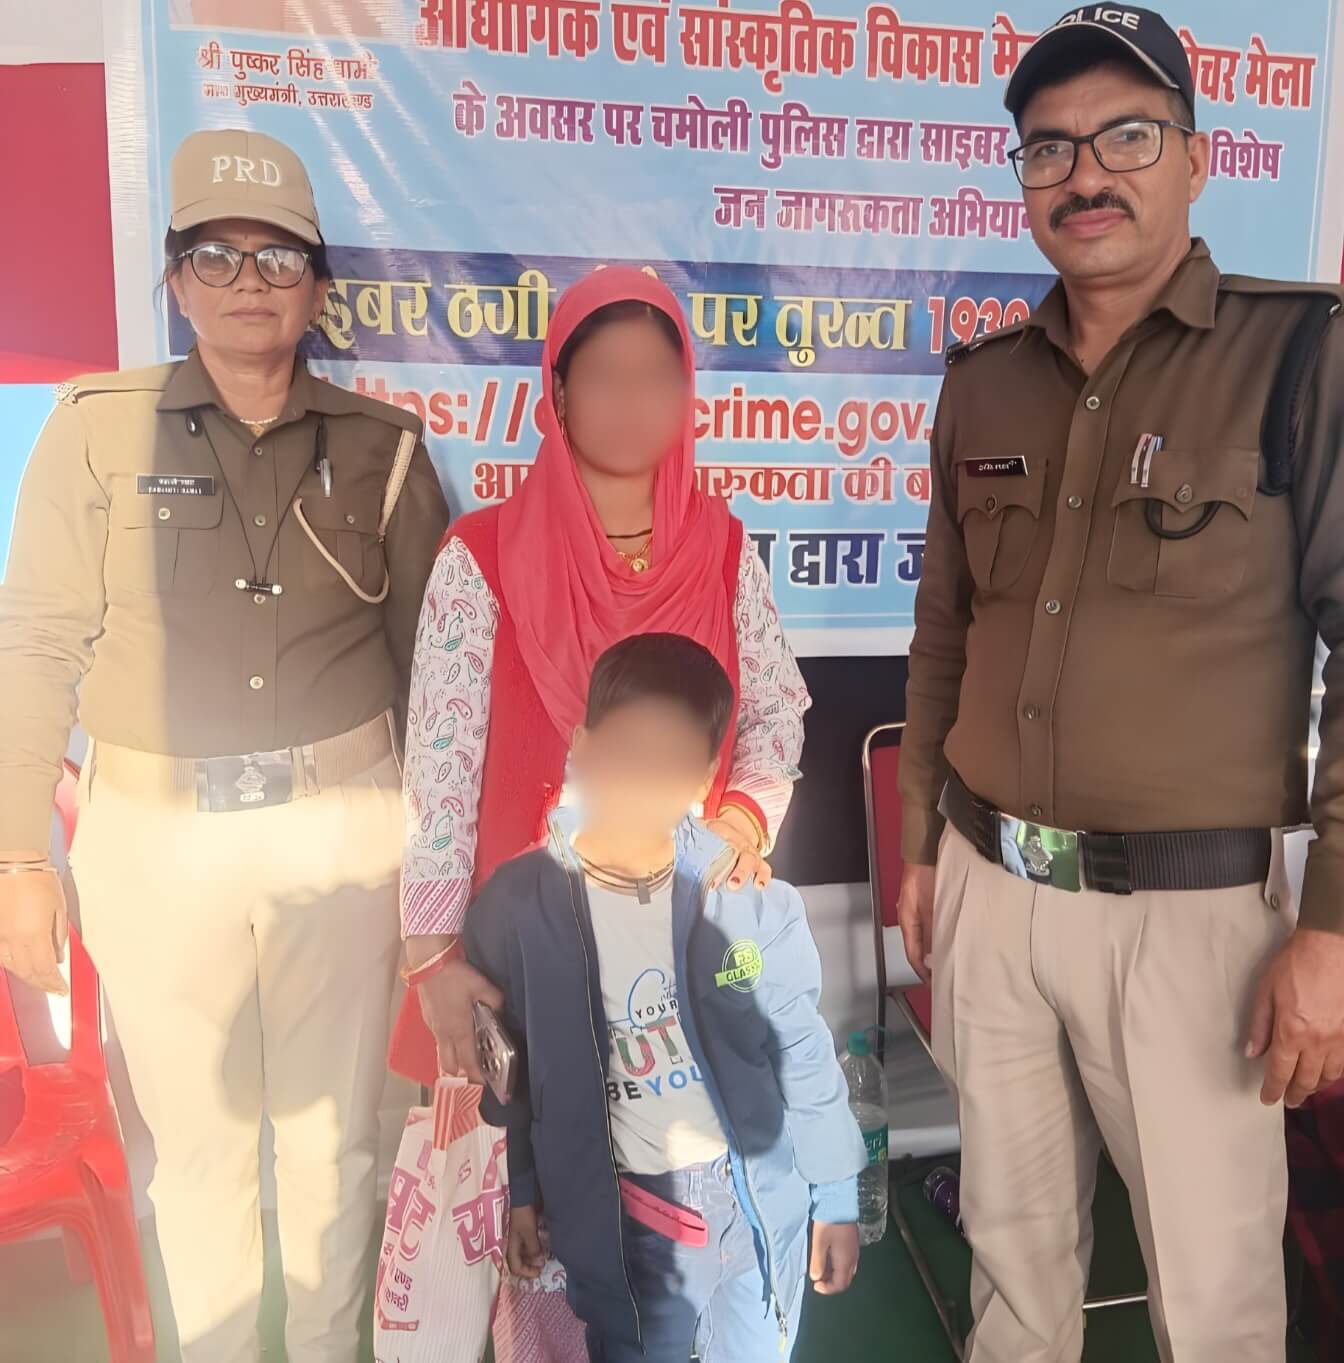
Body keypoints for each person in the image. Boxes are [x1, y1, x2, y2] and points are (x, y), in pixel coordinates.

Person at [896, 8, 1344, 1363]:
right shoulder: (984, 384)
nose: (1085, 174)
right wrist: (919, 848)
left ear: (1199, 160)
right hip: (988, 893)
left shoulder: (1301, 357)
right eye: (1050, 149)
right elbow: (943, 632)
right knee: (1013, 1267)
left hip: (1192, 926)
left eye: (1127, 137)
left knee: (1213, 1302)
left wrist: (1333, 928)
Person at [0, 128, 449, 1363]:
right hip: (155, 838)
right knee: (193, 1153)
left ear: (319, 285)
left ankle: (327, 1347)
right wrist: (18, 858)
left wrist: (439, 880)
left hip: (344, 827)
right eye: (217, 255)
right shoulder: (96, 431)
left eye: (279, 257)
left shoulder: (387, 448)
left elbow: (438, 686)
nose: (250, 281)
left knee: (335, 1141)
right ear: (175, 276)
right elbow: (34, 641)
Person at [394, 265, 810, 1359]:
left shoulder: (722, 548)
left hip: (679, 955)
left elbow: (776, 713)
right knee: (543, 1236)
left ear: (688, 395)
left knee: (694, 1227)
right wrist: (432, 953)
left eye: (657, 376)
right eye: (605, 375)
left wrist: (744, 823)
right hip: (528, 955)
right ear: (559, 394)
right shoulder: (482, 555)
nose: (632, 401)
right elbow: (439, 763)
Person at [463, 632, 865, 1362]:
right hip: (629, 1225)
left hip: (754, 1204)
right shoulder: (520, 907)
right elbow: (513, 1073)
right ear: (582, 746)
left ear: (705, 774)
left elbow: (802, 1049)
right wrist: (523, 1190)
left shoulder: (746, 897)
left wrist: (834, 1195)